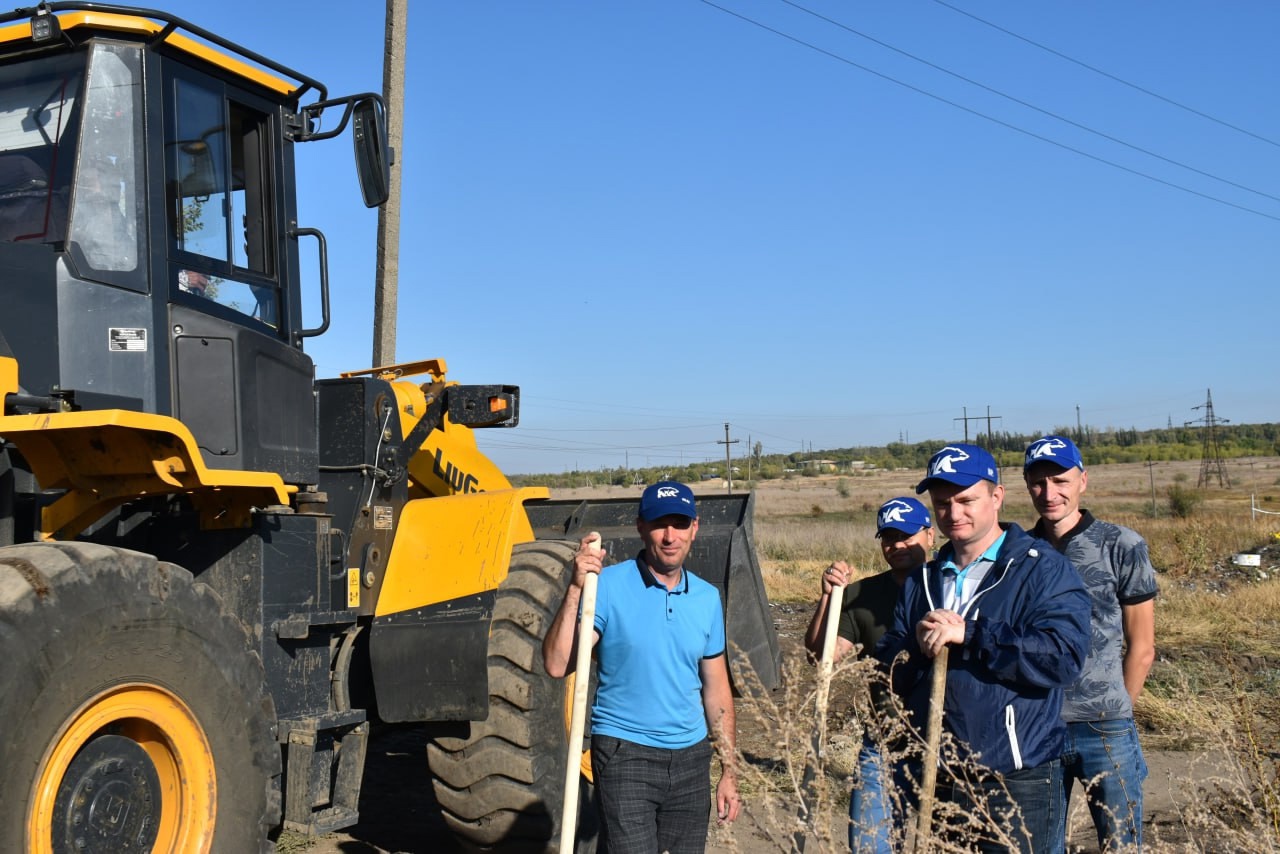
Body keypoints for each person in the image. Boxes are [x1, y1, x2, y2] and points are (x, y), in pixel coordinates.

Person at [875, 443, 1091, 853]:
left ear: (997, 497)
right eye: (942, 504)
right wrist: (915, 648)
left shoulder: (1039, 568)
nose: (953, 514)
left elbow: (1062, 658)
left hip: (1016, 777)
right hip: (937, 774)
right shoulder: (924, 580)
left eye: (966, 500)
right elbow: (888, 671)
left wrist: (973, 635)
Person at [542, 481, 740, 853]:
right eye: (658, 524)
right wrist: (575, 589)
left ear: (694, 528)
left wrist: (729, 770)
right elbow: (556, 664)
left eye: (679, 524)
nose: (670, 536)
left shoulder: (707, 598)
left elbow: (717, 689)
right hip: (625, 753)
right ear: (640, 527)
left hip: (691, 758)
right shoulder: (608, 586)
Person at [1024, 435, 1157, 852]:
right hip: (1037, 729)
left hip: (1105, 727)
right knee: (1038, 846)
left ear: (1083, 481)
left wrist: (1117, 710)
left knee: (1121, 843)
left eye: (1060, 480)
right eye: (1038, 482)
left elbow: (1142, 646)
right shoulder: (1020, 553)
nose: (1050, 493)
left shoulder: (1121, 545)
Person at [804, 496, 934, 853]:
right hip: (882, 745)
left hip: (945, 745)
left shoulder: (950, 586)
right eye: (889, 538)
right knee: (868, 846)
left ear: (930, 536)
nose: (898, 545)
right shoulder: (862, 594)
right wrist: (829, 599)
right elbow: (822, 658)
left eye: (908, 536)